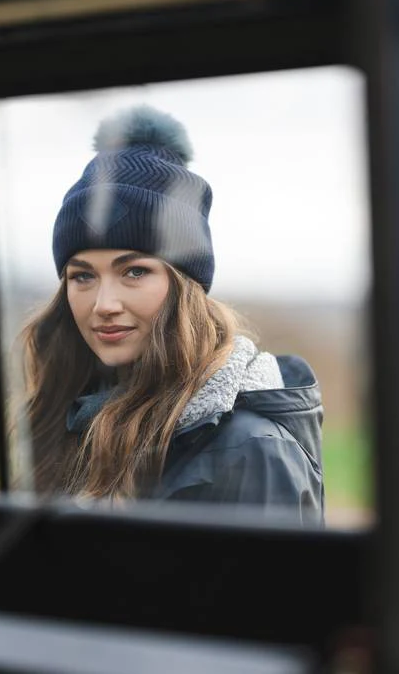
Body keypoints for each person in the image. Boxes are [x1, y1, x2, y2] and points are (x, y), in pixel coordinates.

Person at [18, 104, 324, 525]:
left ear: (184, 286)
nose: (104, 304)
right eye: (83, 276)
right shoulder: (73, 418)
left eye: (134, 272)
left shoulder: (250, 450)